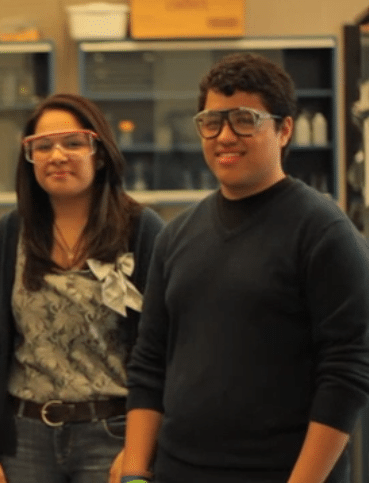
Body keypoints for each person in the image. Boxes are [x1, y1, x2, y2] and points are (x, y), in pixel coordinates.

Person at [121, 53, 369, 483]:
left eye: (244, 120)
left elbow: (347, 373)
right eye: (211, 121)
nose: (224, 136)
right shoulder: (175, 236)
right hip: (179, 471)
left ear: (284, 128)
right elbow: (149, 363)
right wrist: (136, 472)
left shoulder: (324, 231)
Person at [0, 93, 164, 483]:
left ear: (100, 153)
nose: (57, 155)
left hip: (114, 436)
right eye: (43, 146)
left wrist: (142, 449)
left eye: (73, 143)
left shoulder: (142, 230)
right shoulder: (9, 235)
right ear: (30, 158)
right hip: (24, 439)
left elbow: (163, 350)